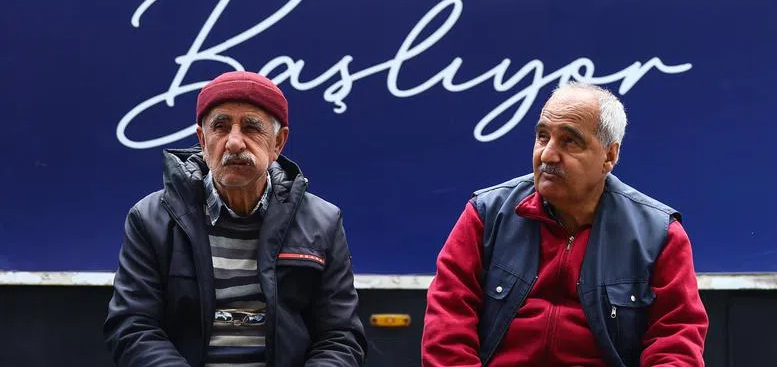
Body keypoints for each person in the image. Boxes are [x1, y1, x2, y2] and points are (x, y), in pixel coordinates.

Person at [421, 82, 708, 366]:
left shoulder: (659, 235)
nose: (547, 155)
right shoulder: (486, 215)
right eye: (542, 137)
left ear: (609, 156)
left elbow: (676, 345)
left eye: (569, 141)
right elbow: (447, 330)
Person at [103, 71, 367, 366]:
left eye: (252, 127)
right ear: (202, 140)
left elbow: (340, 337)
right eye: (221, 127)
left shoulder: (323, 223)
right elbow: (133, 327)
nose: (234, 142)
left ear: (278, 143)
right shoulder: (151, 220)